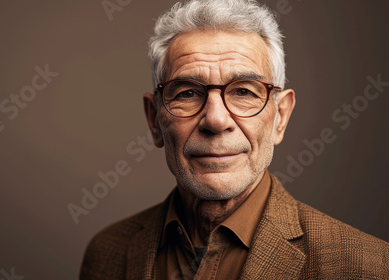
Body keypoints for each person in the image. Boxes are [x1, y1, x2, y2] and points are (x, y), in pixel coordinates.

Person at [80, 0, 389, 279]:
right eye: (187, 92)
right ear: (154, 119)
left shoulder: (369, 267)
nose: (216, 120)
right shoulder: (106, 254)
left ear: (280, 117)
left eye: (244, 91)